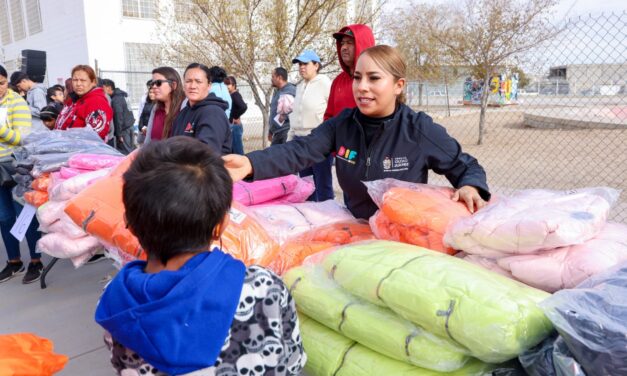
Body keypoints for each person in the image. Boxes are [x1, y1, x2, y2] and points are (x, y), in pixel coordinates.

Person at [95, 136, 306, 375]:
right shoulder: (263, 286)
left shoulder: (116, 301)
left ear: (129, 224)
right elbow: (292, 362)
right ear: (221, 226)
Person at [223, 45, 491, 219]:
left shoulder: (417, 128)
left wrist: (470, 185)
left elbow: (465, 165)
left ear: (398, 85)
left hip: (406, 239)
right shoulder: (343, 124)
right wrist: (250, 162)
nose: (362, 87)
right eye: (357, 77)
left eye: (374, 78)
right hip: (355, 231)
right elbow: (301, 150)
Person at [0, 65, 44, 284]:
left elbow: (21, 138)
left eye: (1, 83)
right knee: (4, 217)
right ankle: (14, 261)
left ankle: (36, 261)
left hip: (17, 166)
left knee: (24, 215)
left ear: (7, 81)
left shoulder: (17, 102)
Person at [289, 50, 333, 201]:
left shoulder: (325, 83)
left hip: (318, 141)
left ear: (316, 65)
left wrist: (327, 136)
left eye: (305, 64)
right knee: (306, 183)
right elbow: (295, 115)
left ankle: (329, 218)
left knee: (322, 183)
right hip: (300, 140)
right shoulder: (300, 86)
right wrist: (291, 136)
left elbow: (333, 110)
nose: (301, 67)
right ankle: (311, 218)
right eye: (300, 64)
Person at [171, 63, 232, 154]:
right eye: (188, 81)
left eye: (198, 81)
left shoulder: (213, 113)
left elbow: (206, 154)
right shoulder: (183, 112)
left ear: (209, 85)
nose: (192, 86)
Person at [324, 24, 375, 121]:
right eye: (342, 43)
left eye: (349, 42)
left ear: (363, 44)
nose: (343, 47)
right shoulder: (338, 81)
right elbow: (328, 117)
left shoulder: (378, 79)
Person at [54, 65, 111, 140]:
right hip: (64, 147)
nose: (78, 84)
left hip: (81, 150)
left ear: (93, 82)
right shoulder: (73, 100)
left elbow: (96, 135)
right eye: (75, 80)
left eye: (83, 80)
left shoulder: (96, 101)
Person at [142, 67, 185, 144]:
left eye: (158, 83)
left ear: (173, 85)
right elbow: (147, 142)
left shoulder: (186, 107)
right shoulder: (156, 109)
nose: (154, 87)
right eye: (152, 83)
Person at [102, 79, 136, 155]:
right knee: (130, 150)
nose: (102, 91)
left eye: (102, 88)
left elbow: (118, 117)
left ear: (109, 88)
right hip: (129, 126)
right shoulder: (122, 95)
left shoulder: (116, 99)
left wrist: (119, 134)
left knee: (126, 153)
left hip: (124, 130)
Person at [268, 67, 296, 145]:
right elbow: (275, 112)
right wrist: (271, 130)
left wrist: (283, 117)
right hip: (277, 132)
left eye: (273, 76)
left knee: (282, 156)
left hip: (285, 132)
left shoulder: (290, 91)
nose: (271, 79)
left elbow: (292, 111)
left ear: (279, 78)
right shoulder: (278, 91)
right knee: (273, 156)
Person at [224, 76, 248, 155]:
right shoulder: (230, 95)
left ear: (234, 85)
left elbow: (243, 107)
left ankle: (243, 166)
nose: (226, 86)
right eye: (225, 84)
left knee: (238, 151)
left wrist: (235, 116)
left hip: (235, 126)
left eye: (228, 84)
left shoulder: (235, 95)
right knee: (233, 150)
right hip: (232, 126)